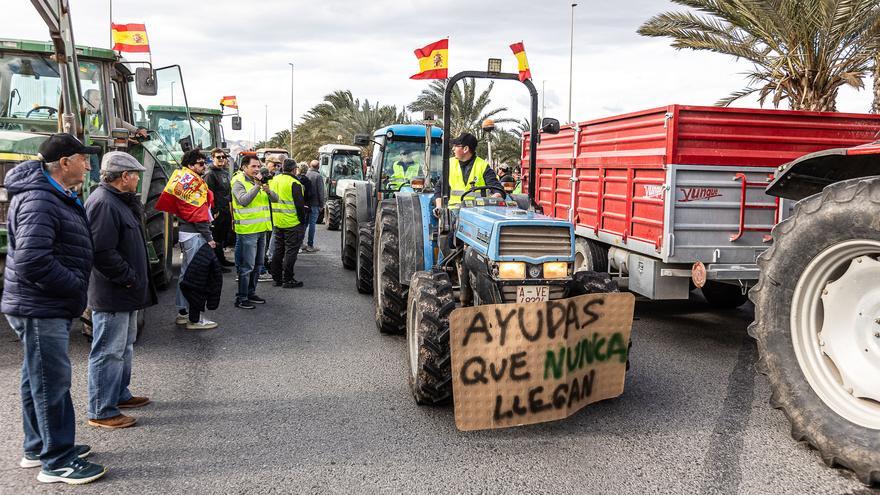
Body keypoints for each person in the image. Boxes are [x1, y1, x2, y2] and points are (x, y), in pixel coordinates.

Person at [2, 133, 107, 484]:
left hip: (41, 303)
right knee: (52, 383)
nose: (88, 164)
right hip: (40, 306)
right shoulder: (40, 201)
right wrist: (75, 287)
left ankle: (38, 447)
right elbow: (33, 261)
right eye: (82, 158)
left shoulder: (54, 194)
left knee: (37, 379)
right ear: (64, 163)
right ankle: (57, 460)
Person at [84, 152, 157, 430]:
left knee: (123, 347)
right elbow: (101, 251)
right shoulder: (104, 203)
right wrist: (128, 278)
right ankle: (101, 410)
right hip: (113, 292)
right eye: (135, 174)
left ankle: (119, 394)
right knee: (108, 351)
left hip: (125, 291)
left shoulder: (118, 201)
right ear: (124, 177)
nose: (138, 178)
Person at [174, 149, 218, 330]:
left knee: (186, 274)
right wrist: (209, 237)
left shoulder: (182, 180)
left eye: (204, 162)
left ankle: (183, 312)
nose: (204, 166)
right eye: (200, 163)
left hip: (187, 233)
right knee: (197, 277)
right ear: (190, 166)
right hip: (194, 234)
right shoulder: (193, 184)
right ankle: (195, 318)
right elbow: (198, 215)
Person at [232, 155, 278, 309]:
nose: (257, 169)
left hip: (262, 230)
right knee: (247, 267)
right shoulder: (239, 182)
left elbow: (275, 199)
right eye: (253, 166)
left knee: (258, 265)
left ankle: (251, 293)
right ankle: (242, 297)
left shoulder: (259, 182)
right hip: (248, 231)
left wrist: (268, 190)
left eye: (258, 166)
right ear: (244, 167)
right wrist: (257, 186)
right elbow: (243, 201)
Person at [435, 132, 503, 209]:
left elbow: (498, 189)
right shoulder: (450, 164)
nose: (453, 149)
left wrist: (491, 200)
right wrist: (439, 206)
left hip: (477, 212)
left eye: (456, 146)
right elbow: (439, 187)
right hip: (453, 212)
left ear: (465, 149)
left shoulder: (482, 166)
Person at [269, 158, 307, 288]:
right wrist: (302, 222)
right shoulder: (294, 183)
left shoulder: (274, 180)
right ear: (294, 169)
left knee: (278, 251)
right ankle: (288, 279)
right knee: (291, 252)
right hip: (292, 222)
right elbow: (300, 206)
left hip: (278, 222)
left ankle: (277, 278)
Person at [204, 148, 235, 269]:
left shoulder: (225, 172)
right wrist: (214, 211)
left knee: (222, 237)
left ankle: (221, 259)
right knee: (215, 237)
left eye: (223, 157)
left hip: (225, 210)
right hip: (217, 212)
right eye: (218, 157)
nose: (221, 159)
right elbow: (209, 194)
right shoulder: (210, 174)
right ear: (212, 158)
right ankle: (216, 264)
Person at [303, 159, 325, 252]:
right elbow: (320, 191)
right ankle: (310, 245)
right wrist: (322, 204)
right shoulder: (318, 176)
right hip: (315, 204)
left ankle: (300, 244)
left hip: (306, 204)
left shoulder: (305, 174)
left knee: (304, 224)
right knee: (312, 225)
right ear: (318, 166)